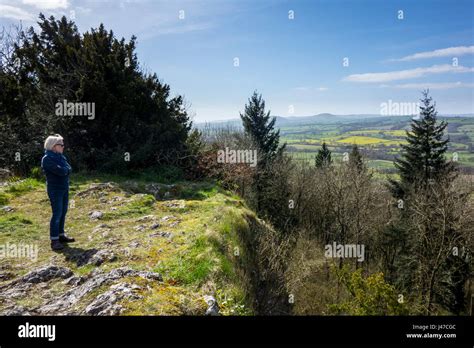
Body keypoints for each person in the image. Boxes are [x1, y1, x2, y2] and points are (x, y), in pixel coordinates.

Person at [41, 134, 75, 251]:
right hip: (55, 189)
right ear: (53, 146)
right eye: (61, 145)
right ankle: (54, 240)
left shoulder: (61, 157)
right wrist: (65, 170)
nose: (63, 147)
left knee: (63, 211)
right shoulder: (47, 159)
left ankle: (61, 235)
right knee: (57, 213)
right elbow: (61, 171)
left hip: (64, 188)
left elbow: (69, 169)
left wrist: (65, 170)